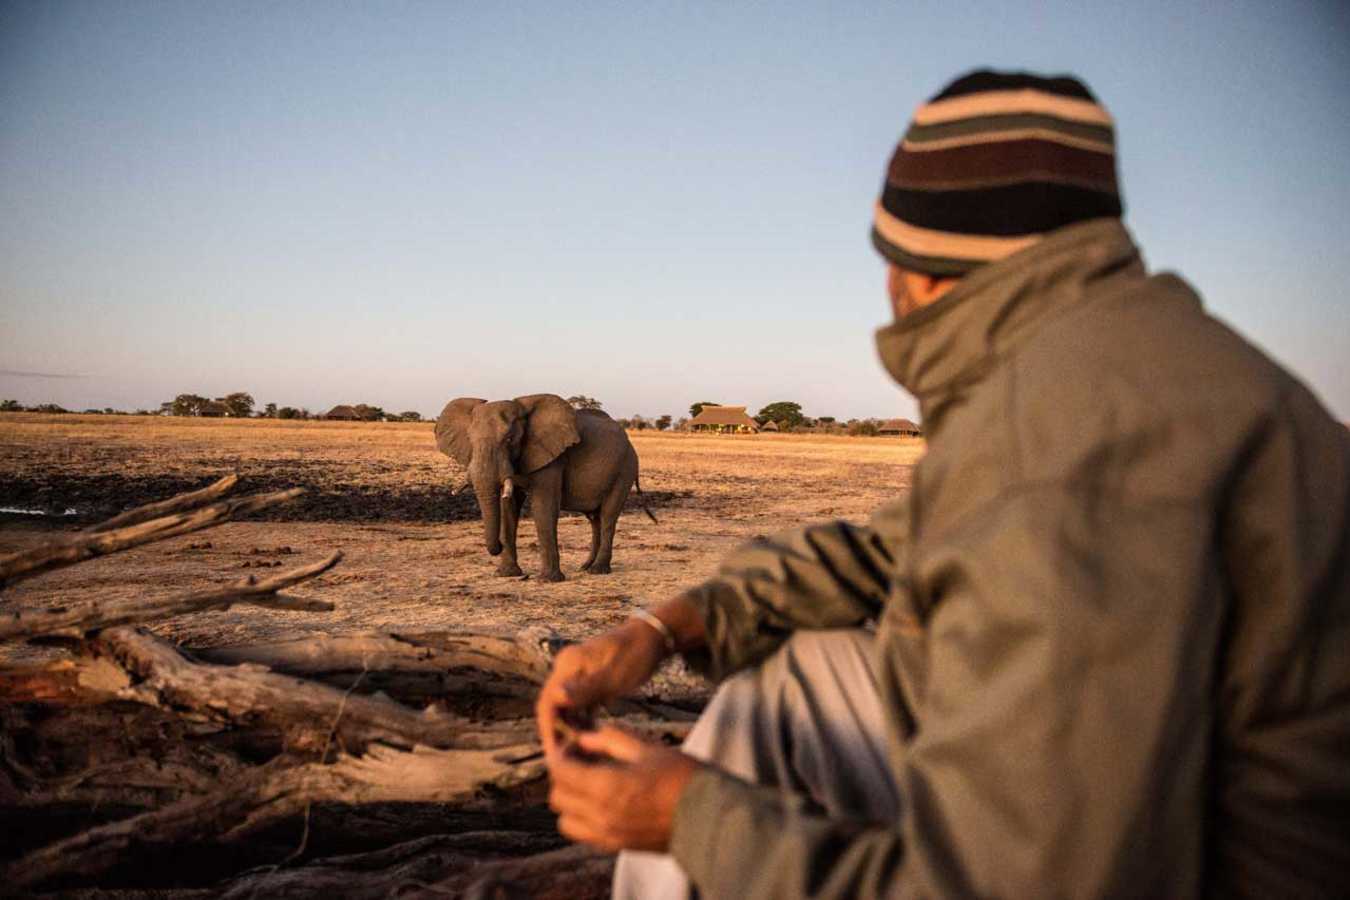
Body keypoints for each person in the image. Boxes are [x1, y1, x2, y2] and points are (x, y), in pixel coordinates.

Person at [536, 69, 1350, 898]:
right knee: (803, 678)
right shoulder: (1149, 365)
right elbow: (883, 551)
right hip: (1185, 805)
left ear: (920, 272)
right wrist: (662, 629)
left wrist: (695, 820)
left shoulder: (1061, 454)